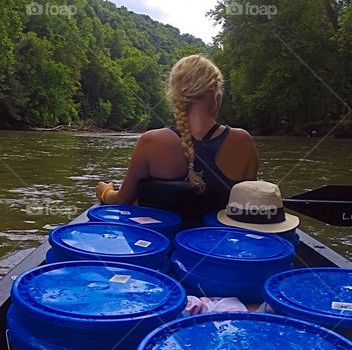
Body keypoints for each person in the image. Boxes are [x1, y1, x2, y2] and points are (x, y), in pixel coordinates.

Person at [95, 54, 258, 226]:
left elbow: (122, 200)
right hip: (217, 242)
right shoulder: (243, 142)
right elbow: (251, 207)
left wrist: (105, 191)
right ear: (216, 97)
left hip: (157, 241)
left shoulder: (151, 142)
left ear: (175, 97)